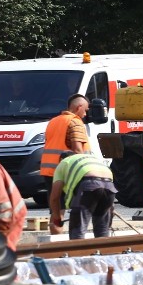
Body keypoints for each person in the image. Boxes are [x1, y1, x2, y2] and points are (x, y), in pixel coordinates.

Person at [40, 94, 90, 233]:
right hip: (67, 172)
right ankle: (67, 245)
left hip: (50, 171)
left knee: (56, 211)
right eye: (85, 110)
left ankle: (54, 242)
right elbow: (78, 149)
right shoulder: (75, 122)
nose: (85, 114)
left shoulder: (54, 121)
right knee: (78, 210)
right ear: (78, 107)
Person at [49, 152, 117, 240]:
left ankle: (77, 252)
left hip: (88, 185)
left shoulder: (64, 163)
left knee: (77, 230)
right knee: (102, 230)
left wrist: (57, 218)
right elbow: (103, 184)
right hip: (109, 186)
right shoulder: (91, 159)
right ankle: (103, 251)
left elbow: (55, 198)